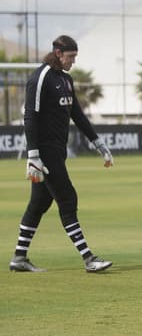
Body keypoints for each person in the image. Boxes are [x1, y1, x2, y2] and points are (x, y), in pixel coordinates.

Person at [9, 35, 115, 273]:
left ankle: (19, 258)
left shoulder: (65, 79)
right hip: (45, 153)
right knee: (67, 199)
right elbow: (30, 117)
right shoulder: (41, 77)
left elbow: (77, 114)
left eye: (75, 57)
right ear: (58, 53)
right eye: (70, 57)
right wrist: (33, 156)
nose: (73, 61)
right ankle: (89, 259)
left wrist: (98, 143)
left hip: (58, 152)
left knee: (39, 203)